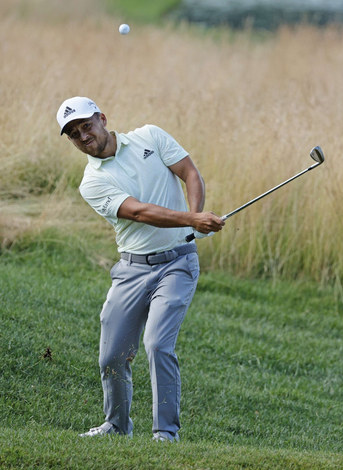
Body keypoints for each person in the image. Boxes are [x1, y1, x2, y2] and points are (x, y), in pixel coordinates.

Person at [56, 96, 225, 442]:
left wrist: (194, 223)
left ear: (102, 118)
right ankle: (116, 425)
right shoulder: (91, 182)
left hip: (177, 263)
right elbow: (139, 212)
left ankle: (166, 432)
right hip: (131, 269)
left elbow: (189, 172)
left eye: (86, 125)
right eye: (73, 134)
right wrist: (193, 218)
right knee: (112, 355)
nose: (83, 136)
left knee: (157, 343)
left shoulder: (150, 136)